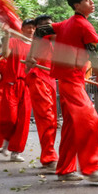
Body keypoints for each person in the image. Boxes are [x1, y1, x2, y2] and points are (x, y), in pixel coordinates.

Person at [36, 0, 98, 182]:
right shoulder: (84, 25)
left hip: (69, 81)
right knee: (91, 121)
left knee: (72, 127)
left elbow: (40, 31)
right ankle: (91, 169)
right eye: (88, 0)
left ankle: (65, 169)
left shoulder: (64, 24)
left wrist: (33, 55)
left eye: (91, 0)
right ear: (77, 5)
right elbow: (94, 57)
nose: (92, 3)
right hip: (72, 82)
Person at [25, 15, 59, 170]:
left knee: (52, 121)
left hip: (50, 81)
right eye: (44, 26)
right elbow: (28, 64)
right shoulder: (38, 40)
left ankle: (48, 157)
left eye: (50, 25)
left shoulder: (55, 41)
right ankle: (50, 158)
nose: (48, 28)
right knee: (46, 118)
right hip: (38, 79)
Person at [0, 19, 35, 161]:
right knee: (10, 118)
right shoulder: (14, 41)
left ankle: (16, 152)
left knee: (23, 120)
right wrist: (7, 35)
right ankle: (6, 140)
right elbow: (6, 54)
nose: (31, 30)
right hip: (12, 84)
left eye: (33, 28)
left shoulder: (36, 47)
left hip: (27, 85)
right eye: (28, 28)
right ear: (22, 29)